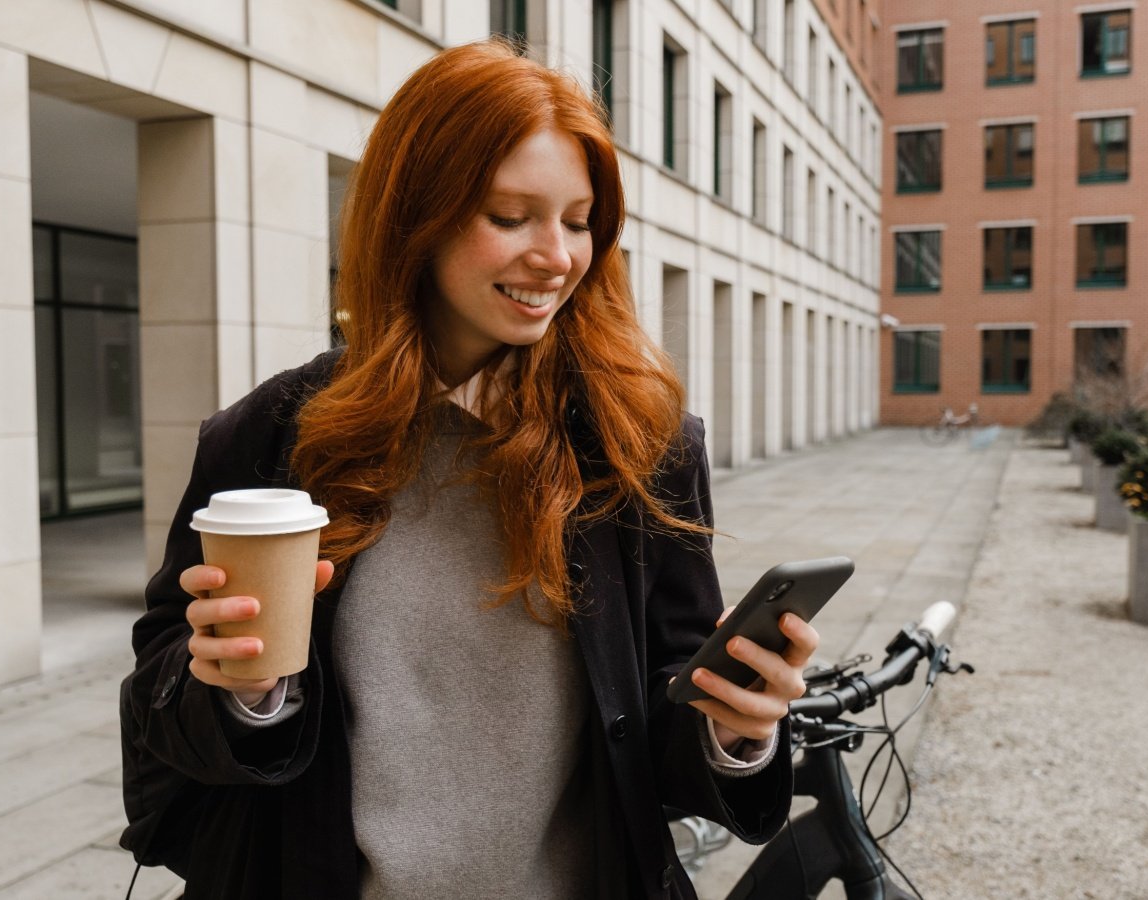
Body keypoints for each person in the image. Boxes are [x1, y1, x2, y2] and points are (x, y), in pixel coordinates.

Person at [119, 40, 819, 899]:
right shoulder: (274, 434)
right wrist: (246, 691)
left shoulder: (642, 442)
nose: (557, 257)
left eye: (577, 219)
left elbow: (664, 726)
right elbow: (159, 688)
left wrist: (737, 733)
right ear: (417, 214)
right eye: (509, 215)